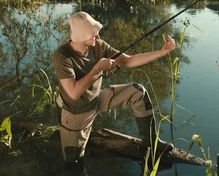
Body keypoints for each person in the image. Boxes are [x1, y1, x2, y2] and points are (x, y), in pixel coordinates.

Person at [52, 11, 175, 165]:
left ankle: (150, 142)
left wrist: (161, 52)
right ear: (81, 36)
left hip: (97, 99)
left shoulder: (99, 45)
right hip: (76, 112)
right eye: (93, 35)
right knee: (73, 161)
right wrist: (97, 69)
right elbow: (74, 93)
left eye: (97, 33)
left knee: (138, 93)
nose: (97, 37)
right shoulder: (62, 55)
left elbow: (128, 61)